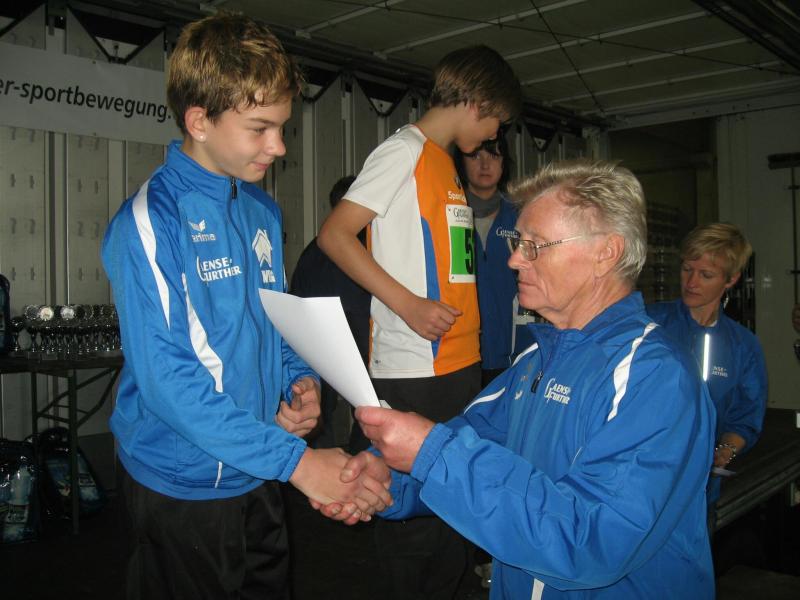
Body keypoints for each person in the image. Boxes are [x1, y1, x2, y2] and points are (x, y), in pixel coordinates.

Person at [323, 160, 716, 599]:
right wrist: (390, 479)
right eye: (517, 242)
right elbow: (473, 439)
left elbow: (590, 540)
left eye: (533, 245)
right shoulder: (537, 359)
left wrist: (430, 455)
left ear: (606, 253)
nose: (513, 259)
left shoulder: (654, 378)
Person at [101, 13, 390, 600]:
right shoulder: (150, 223)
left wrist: (300, 382)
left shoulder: (261, 210)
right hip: (184, 481)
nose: (278, 147)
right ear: (199, 121)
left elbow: (271, 321)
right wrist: (298, 464)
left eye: (281, 127)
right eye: (261, 128)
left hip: (259, 464)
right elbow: (167, 381)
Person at [318, 45, 522, 599]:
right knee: (411, 529)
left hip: (458, 365)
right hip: (415, 369)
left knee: (450, 509)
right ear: (477, 101)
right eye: (497, 119)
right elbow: (335, 235)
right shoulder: (403, 151)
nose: (496, 132)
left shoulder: (443, 163)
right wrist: (407, 304)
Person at [647, 223, 768, 513]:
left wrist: (725, 450)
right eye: (687, 269)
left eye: (706, 275)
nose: (691, 282)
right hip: (643, 484)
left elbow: (746, 417)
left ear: (731, 279)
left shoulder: (742, 345)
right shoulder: (650, 324)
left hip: (700, 494)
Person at [290, 175, 371, 452]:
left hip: (314, 345)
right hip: (355, 344)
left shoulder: (314, 249)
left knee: (319, 413)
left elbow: (296, 297)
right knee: (367, 412)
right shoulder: (366, 248)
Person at [454, 134, 534, 387]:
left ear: (504, 162)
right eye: (475, 156)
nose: (485, 164)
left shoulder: (524, 215)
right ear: (460, 162)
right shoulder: (448, 214)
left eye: (494, 155)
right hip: (461, 356)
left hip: (515, 353)